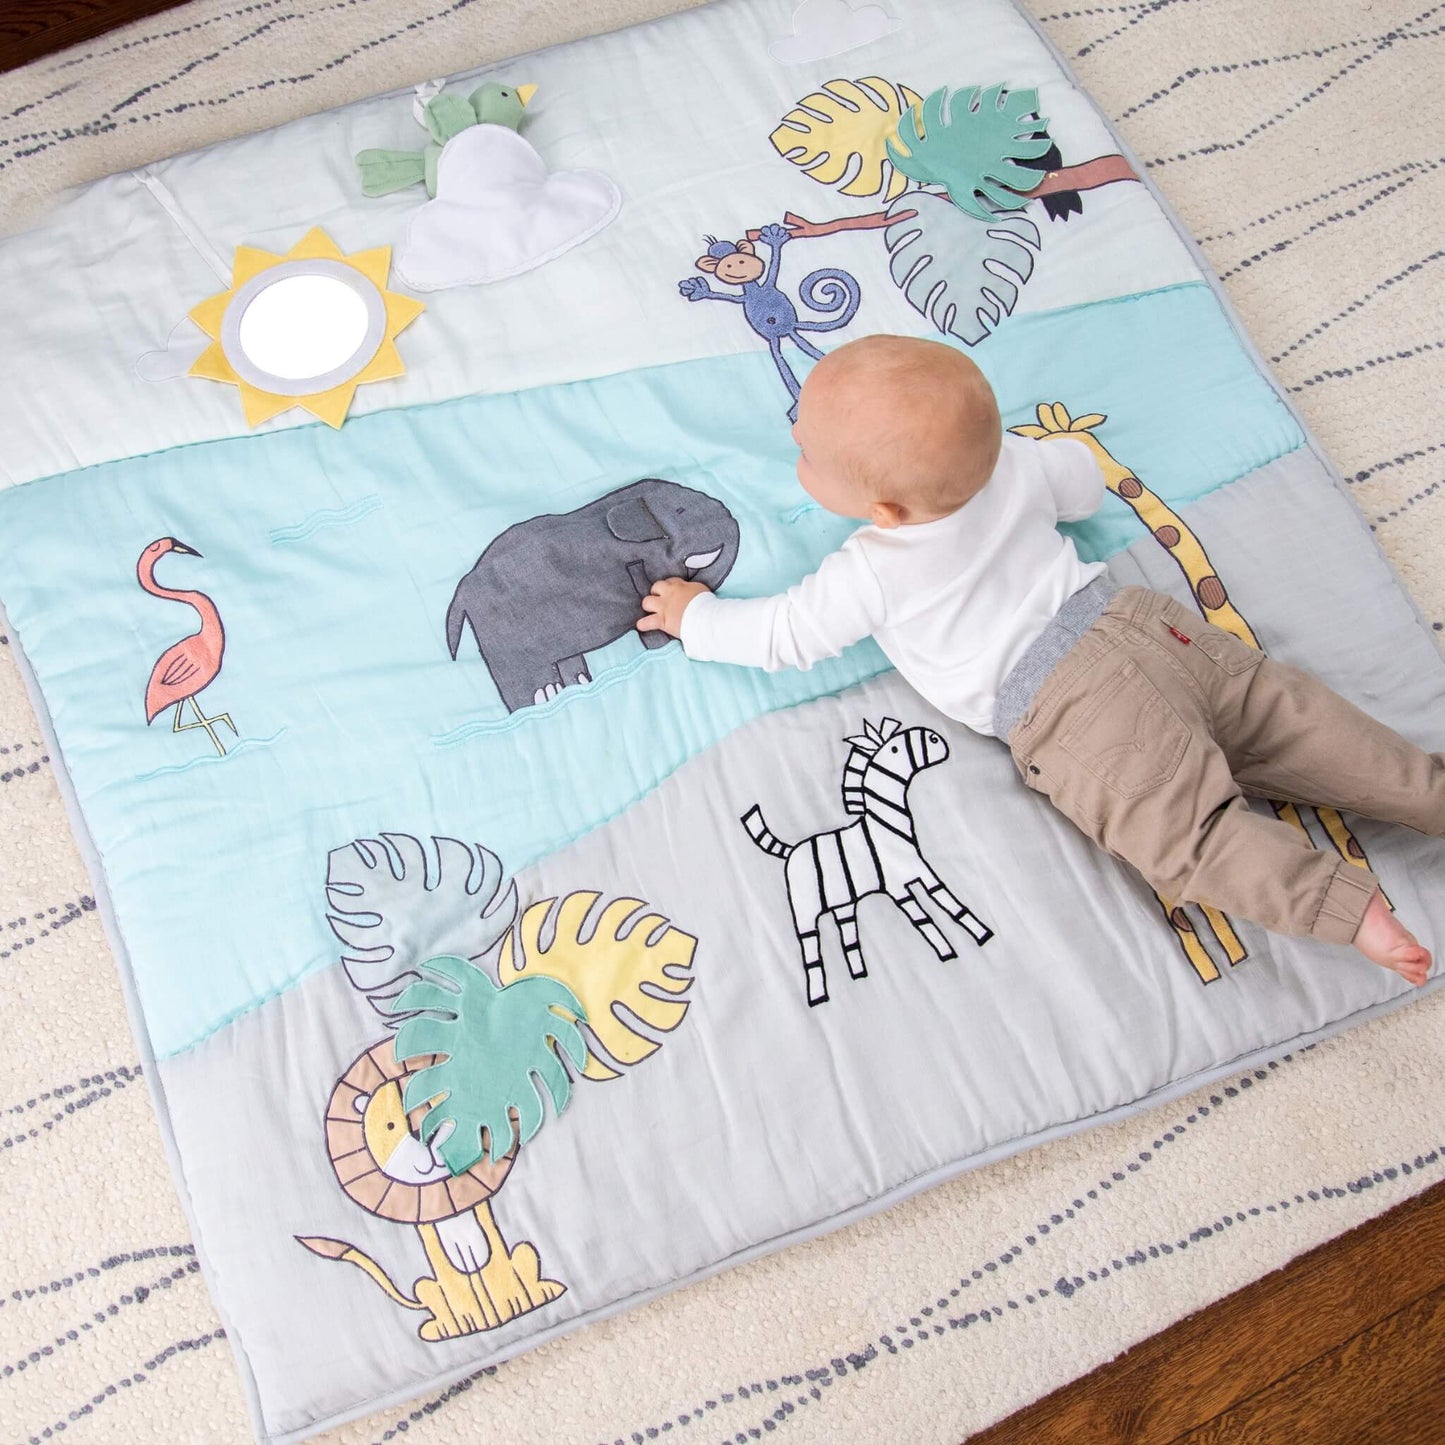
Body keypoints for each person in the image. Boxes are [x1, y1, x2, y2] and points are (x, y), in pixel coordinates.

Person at [637, 333, 1441, 985]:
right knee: (1288, 719)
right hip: (1148, 629)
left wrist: (693, 616)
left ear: (883, 510)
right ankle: (1425, 790)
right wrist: (1021, 453)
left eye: (806, 452)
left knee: (1188, 838)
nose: (794, 445)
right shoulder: (1013, 460)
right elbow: (1083, 484)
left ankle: (1344, 907)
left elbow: (783, 635)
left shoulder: (873, 568)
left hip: (1071, 715)